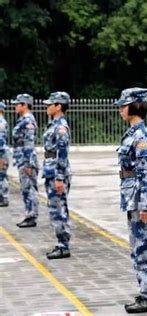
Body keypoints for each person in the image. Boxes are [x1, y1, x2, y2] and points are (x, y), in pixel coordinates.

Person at [115, 88, 147, 313]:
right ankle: (146, 290)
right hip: (132, 197)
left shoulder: (141, 137)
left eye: (123, 105)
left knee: (144, 249)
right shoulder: (132, 133)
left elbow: (145, 175)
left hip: (140, 199)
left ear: (135, 106)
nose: (120, 109)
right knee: (138, 247)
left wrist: (144, 206)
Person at [42, 92, 72, 260]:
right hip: (50, 170)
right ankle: (61, 243)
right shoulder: (54, 124)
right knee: (55, 209)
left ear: (58, 106)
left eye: (50, 104)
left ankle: (63, 245)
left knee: (59, 209)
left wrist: (59, 177)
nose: (47, 107)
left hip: (56, 173)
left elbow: (62, 153)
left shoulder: (60, 127)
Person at [11, 94, 40, 227]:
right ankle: (29, 213)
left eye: (18, 104)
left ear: (24, 105)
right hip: (22, 158)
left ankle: (31, 216)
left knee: (29, 188)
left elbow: (29, 143)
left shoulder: (28, 121)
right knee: (25, 188)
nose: (15, 106)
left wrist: (28, 162)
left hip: (26, 159)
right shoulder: (23, 119)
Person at [0, 102, 9, 207]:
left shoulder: (1, 123)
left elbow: (1, 141)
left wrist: (1, 158)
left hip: (1, 153)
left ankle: (4, 198)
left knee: (2, 176)